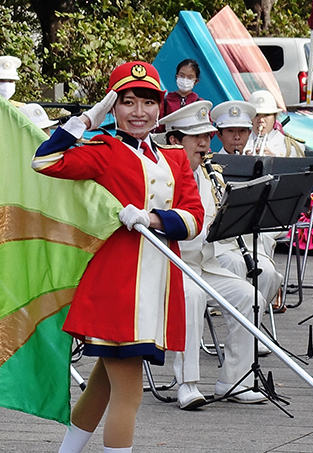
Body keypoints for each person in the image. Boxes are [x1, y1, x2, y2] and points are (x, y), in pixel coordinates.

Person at [32, 61, 204, 452]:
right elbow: (43, 161)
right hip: (117, 290)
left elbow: (195, 218)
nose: (139, 112)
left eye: (147, 102)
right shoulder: (103, 150)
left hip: (155, 290)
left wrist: (154, 218)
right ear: (114, 107)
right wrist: (86, 120)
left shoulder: (175, 158)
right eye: (127, 102)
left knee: (104, 386)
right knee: (129, 395)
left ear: (160, 107)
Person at [158, 101, 268, 407]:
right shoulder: (158, 176)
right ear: (174, 141)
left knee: (250, 295)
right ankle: (187, 383)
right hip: (171, 266)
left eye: (207, 135)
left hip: (204, 264)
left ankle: (234, 380)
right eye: (197, 137)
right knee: (191, 297)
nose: (205, 143)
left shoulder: (211, 176)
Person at [211, 100, 284, 312]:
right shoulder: (209, 165)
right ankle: (239, 331)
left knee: (269, 274)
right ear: (219, 135)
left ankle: (253, 330)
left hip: (253, 242)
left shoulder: (259, 165)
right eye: (230, 131)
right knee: (233, 265)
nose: (236, 138)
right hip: (222, 243)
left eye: (242, 132)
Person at [244, 89, 304, 157]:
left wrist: (274, 159)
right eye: (256, 115)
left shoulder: (292, 147)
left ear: (275, 117)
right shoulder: (240, 142)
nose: (261, 120)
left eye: (266, 115)